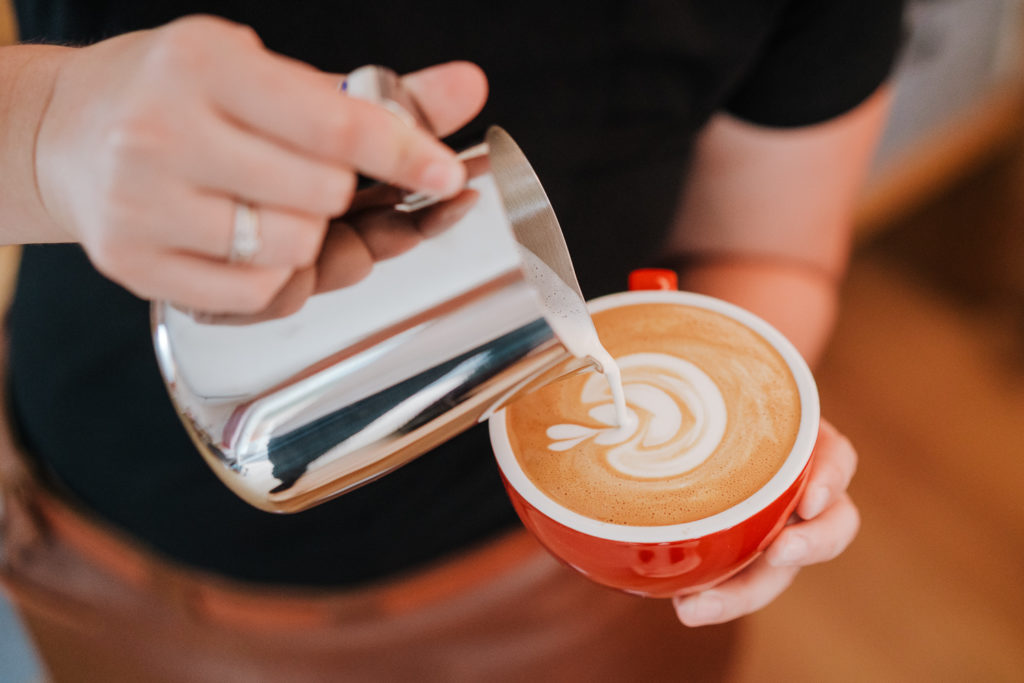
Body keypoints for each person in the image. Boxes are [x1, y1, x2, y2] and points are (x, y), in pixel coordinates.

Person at [0, 1, 904, 680]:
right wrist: (46, 128)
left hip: (553, 607)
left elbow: (762, 249)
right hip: (84, 551)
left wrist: (738, 475)